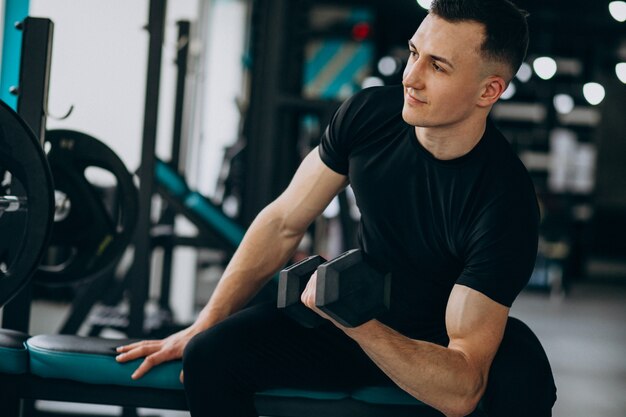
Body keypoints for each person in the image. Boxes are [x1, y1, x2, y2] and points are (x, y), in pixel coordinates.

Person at [116, 0, 557, 416]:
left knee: (523, 374)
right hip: (354, 319)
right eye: (414, 53)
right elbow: (283, 221)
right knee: (210, 354)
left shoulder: (506, 202)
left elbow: (461, 391)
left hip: (433, 344)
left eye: (437, 66)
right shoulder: (369, 115)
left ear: (489, 90)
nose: (412, 77)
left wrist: (357, 321)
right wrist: (203, 324)